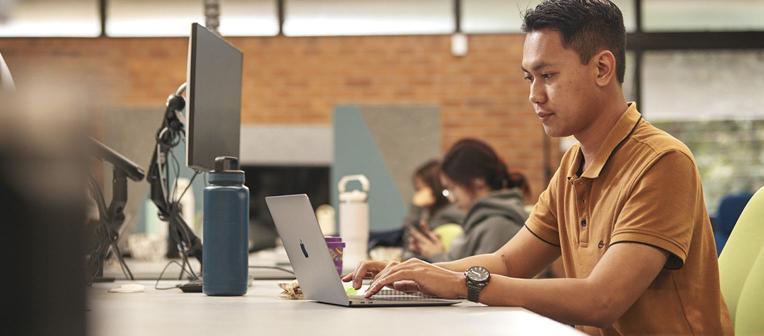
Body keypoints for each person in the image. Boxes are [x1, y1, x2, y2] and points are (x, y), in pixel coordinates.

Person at [343, 1, 732, 334]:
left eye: (548, 76)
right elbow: (510, 262)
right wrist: (415, 275)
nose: (534, 95)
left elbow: (603, 299)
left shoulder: (662, 162)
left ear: (601, 69)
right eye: (530, 78)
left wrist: (466, 285)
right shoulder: (572, 167)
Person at [407, 139, 529, 263]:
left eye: (452, 188)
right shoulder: (479, 219)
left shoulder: (499, 224)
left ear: (478, 180)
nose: (452, 198)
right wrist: (429, 252)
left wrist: (436, 256)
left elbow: (479, 279)